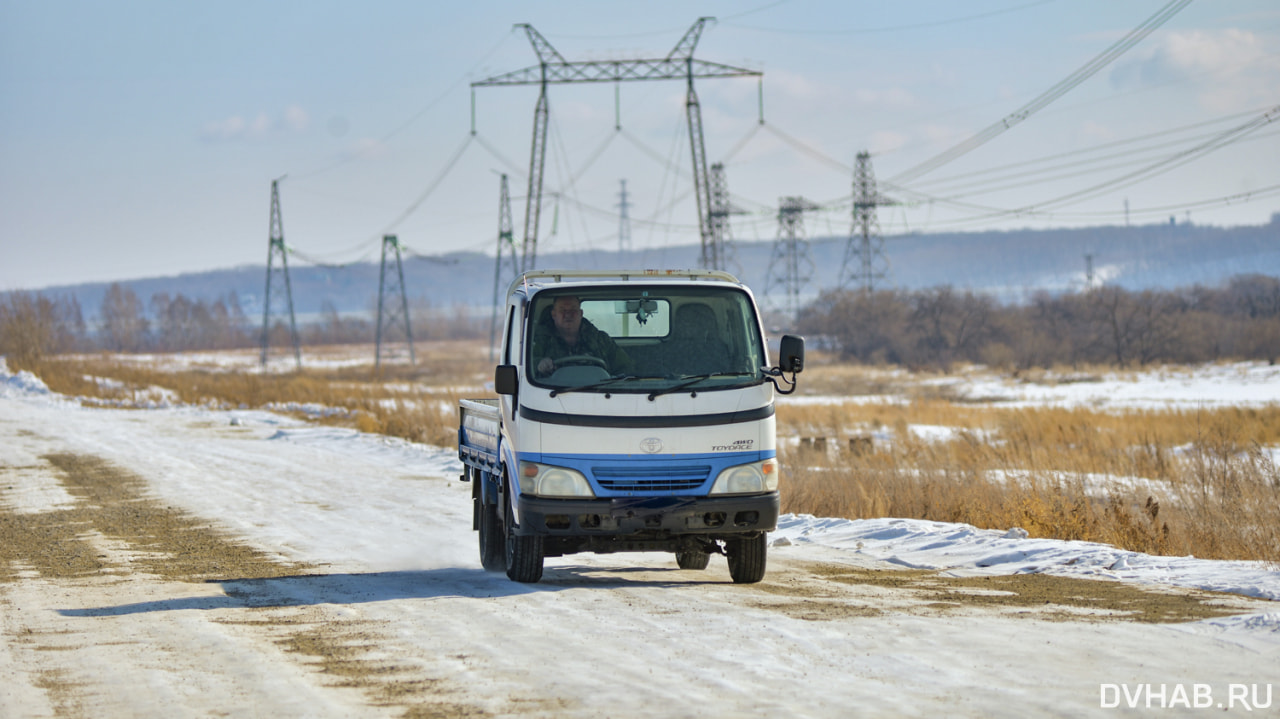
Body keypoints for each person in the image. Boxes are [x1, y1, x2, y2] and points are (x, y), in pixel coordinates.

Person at [532, 296, 633, 377]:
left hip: (600, 395)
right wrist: (539, 364)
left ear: (581, 313)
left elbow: (625, 367)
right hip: (551, 395)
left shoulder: (600, 339)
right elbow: (524, 365)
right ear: (554, 315)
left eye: (573, 310)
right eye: (562, 310)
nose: (568, 314)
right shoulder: (539, 340)